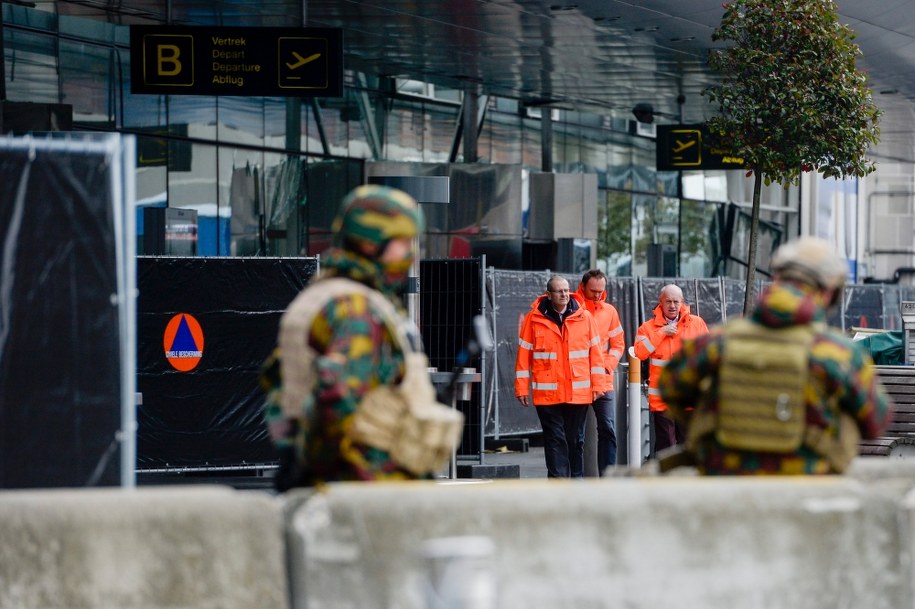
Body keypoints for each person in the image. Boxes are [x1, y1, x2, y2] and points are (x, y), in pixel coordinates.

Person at [260, 184, 457, 489]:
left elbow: (278, 392)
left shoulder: (318, 298)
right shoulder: (356, 309)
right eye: (402, 242)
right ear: (370, 243)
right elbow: (337, 397)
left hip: (331, 487)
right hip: (366, 490)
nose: (409, 252)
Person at [659, 237, 894, 475]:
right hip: (810, 496)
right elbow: (876, 421)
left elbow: (669, 387)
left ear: (777, 279)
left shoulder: (719, 342)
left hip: (727, 490)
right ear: (829, 292)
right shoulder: (839, 353)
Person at [515, 275, 607, 478]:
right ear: (548, 295)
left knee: (575, 439)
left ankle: (575, 479)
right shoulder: (534, 318)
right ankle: (558, 482)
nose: (565, 294)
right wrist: (521, 388)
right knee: (555, 438)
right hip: (547, 394)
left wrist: (598, 385)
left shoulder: (585, 318)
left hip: (578, 392)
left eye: (566, 290)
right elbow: (524, 355)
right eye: (559, 291)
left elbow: (596, 354)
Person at [631, 283, 709, 455]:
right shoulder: (647, 328)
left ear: (682, 302)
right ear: (661, 302)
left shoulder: (697, 324)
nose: (672, 306)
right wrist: (662, 333)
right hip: (662, 398)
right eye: (668, 302)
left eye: (676, 302)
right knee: (666, 445)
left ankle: (686, 481)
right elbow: (639, 353)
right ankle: (665, 481)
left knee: (688, 446)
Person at [574, 269, 625, 474]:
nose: (597, 295)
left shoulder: (609, 311)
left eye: (601, 291)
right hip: (578, 379)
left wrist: (607, 365)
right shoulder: (573, 309)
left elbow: (618, 344)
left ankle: (607, 477)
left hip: (602, 379)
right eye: (593, 291)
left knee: (607, 428)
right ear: (583, 287)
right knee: (576, 433)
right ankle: (576, 477)